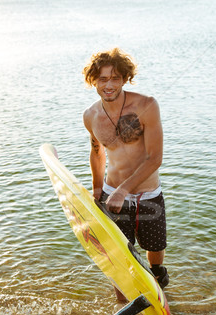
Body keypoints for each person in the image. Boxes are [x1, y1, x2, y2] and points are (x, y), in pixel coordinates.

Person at [82, 48, 169, 301]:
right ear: (93, 81)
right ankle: (124, 307)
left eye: (115, 78)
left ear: (125, 79)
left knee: (155, 250)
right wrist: (98, 190)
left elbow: (155, 158)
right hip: (112, 197)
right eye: (103, 79)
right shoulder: (90, 116)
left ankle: (157, 274)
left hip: (148, 194)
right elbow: (97, 152)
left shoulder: (146, 105)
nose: (108, 85)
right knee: (120, 260)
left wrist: (124, 190)